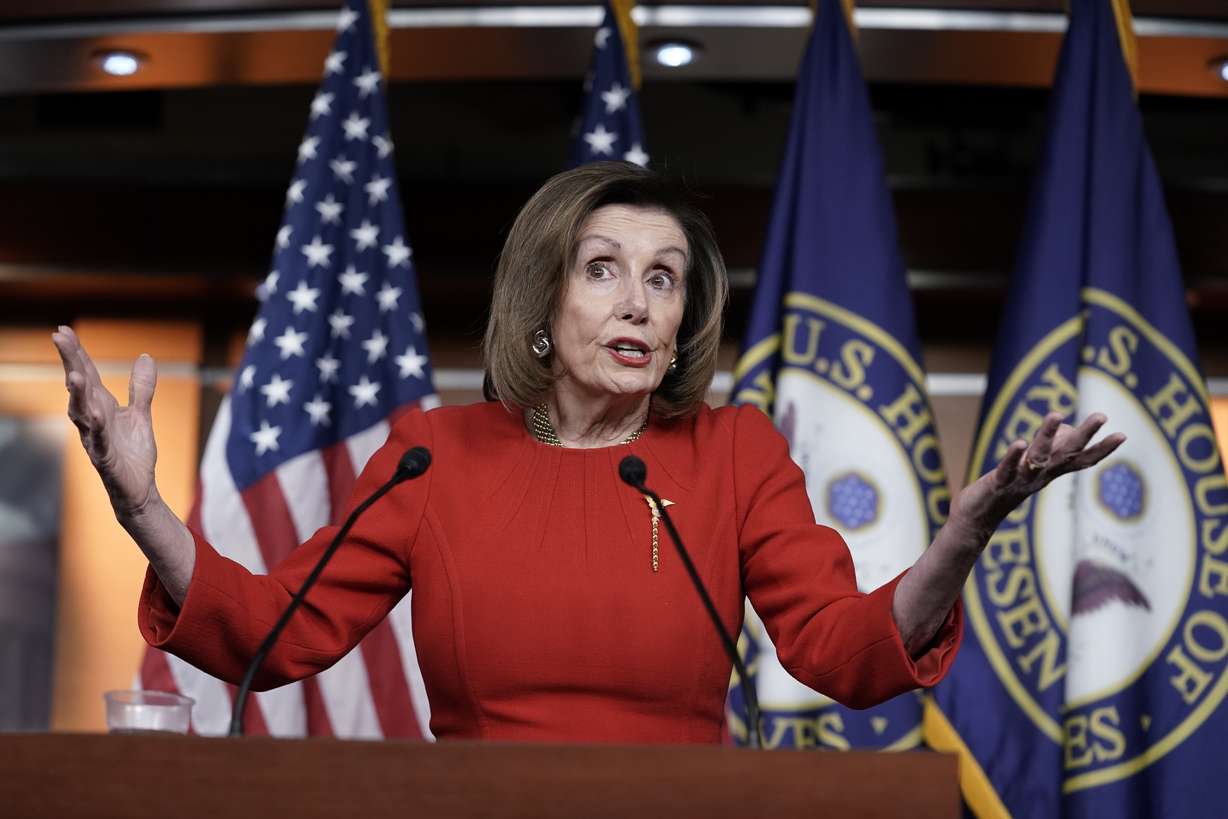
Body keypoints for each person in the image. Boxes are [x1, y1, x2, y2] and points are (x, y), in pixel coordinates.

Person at [52, 162, 1124, 743]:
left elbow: (841, 653)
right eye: (603, 268)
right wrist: (142, 505)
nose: (639, 301)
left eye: (663, 279)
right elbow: (269, 638)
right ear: (542, 300)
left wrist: (964, 534)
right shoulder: (436, 457)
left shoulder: (733, 453)